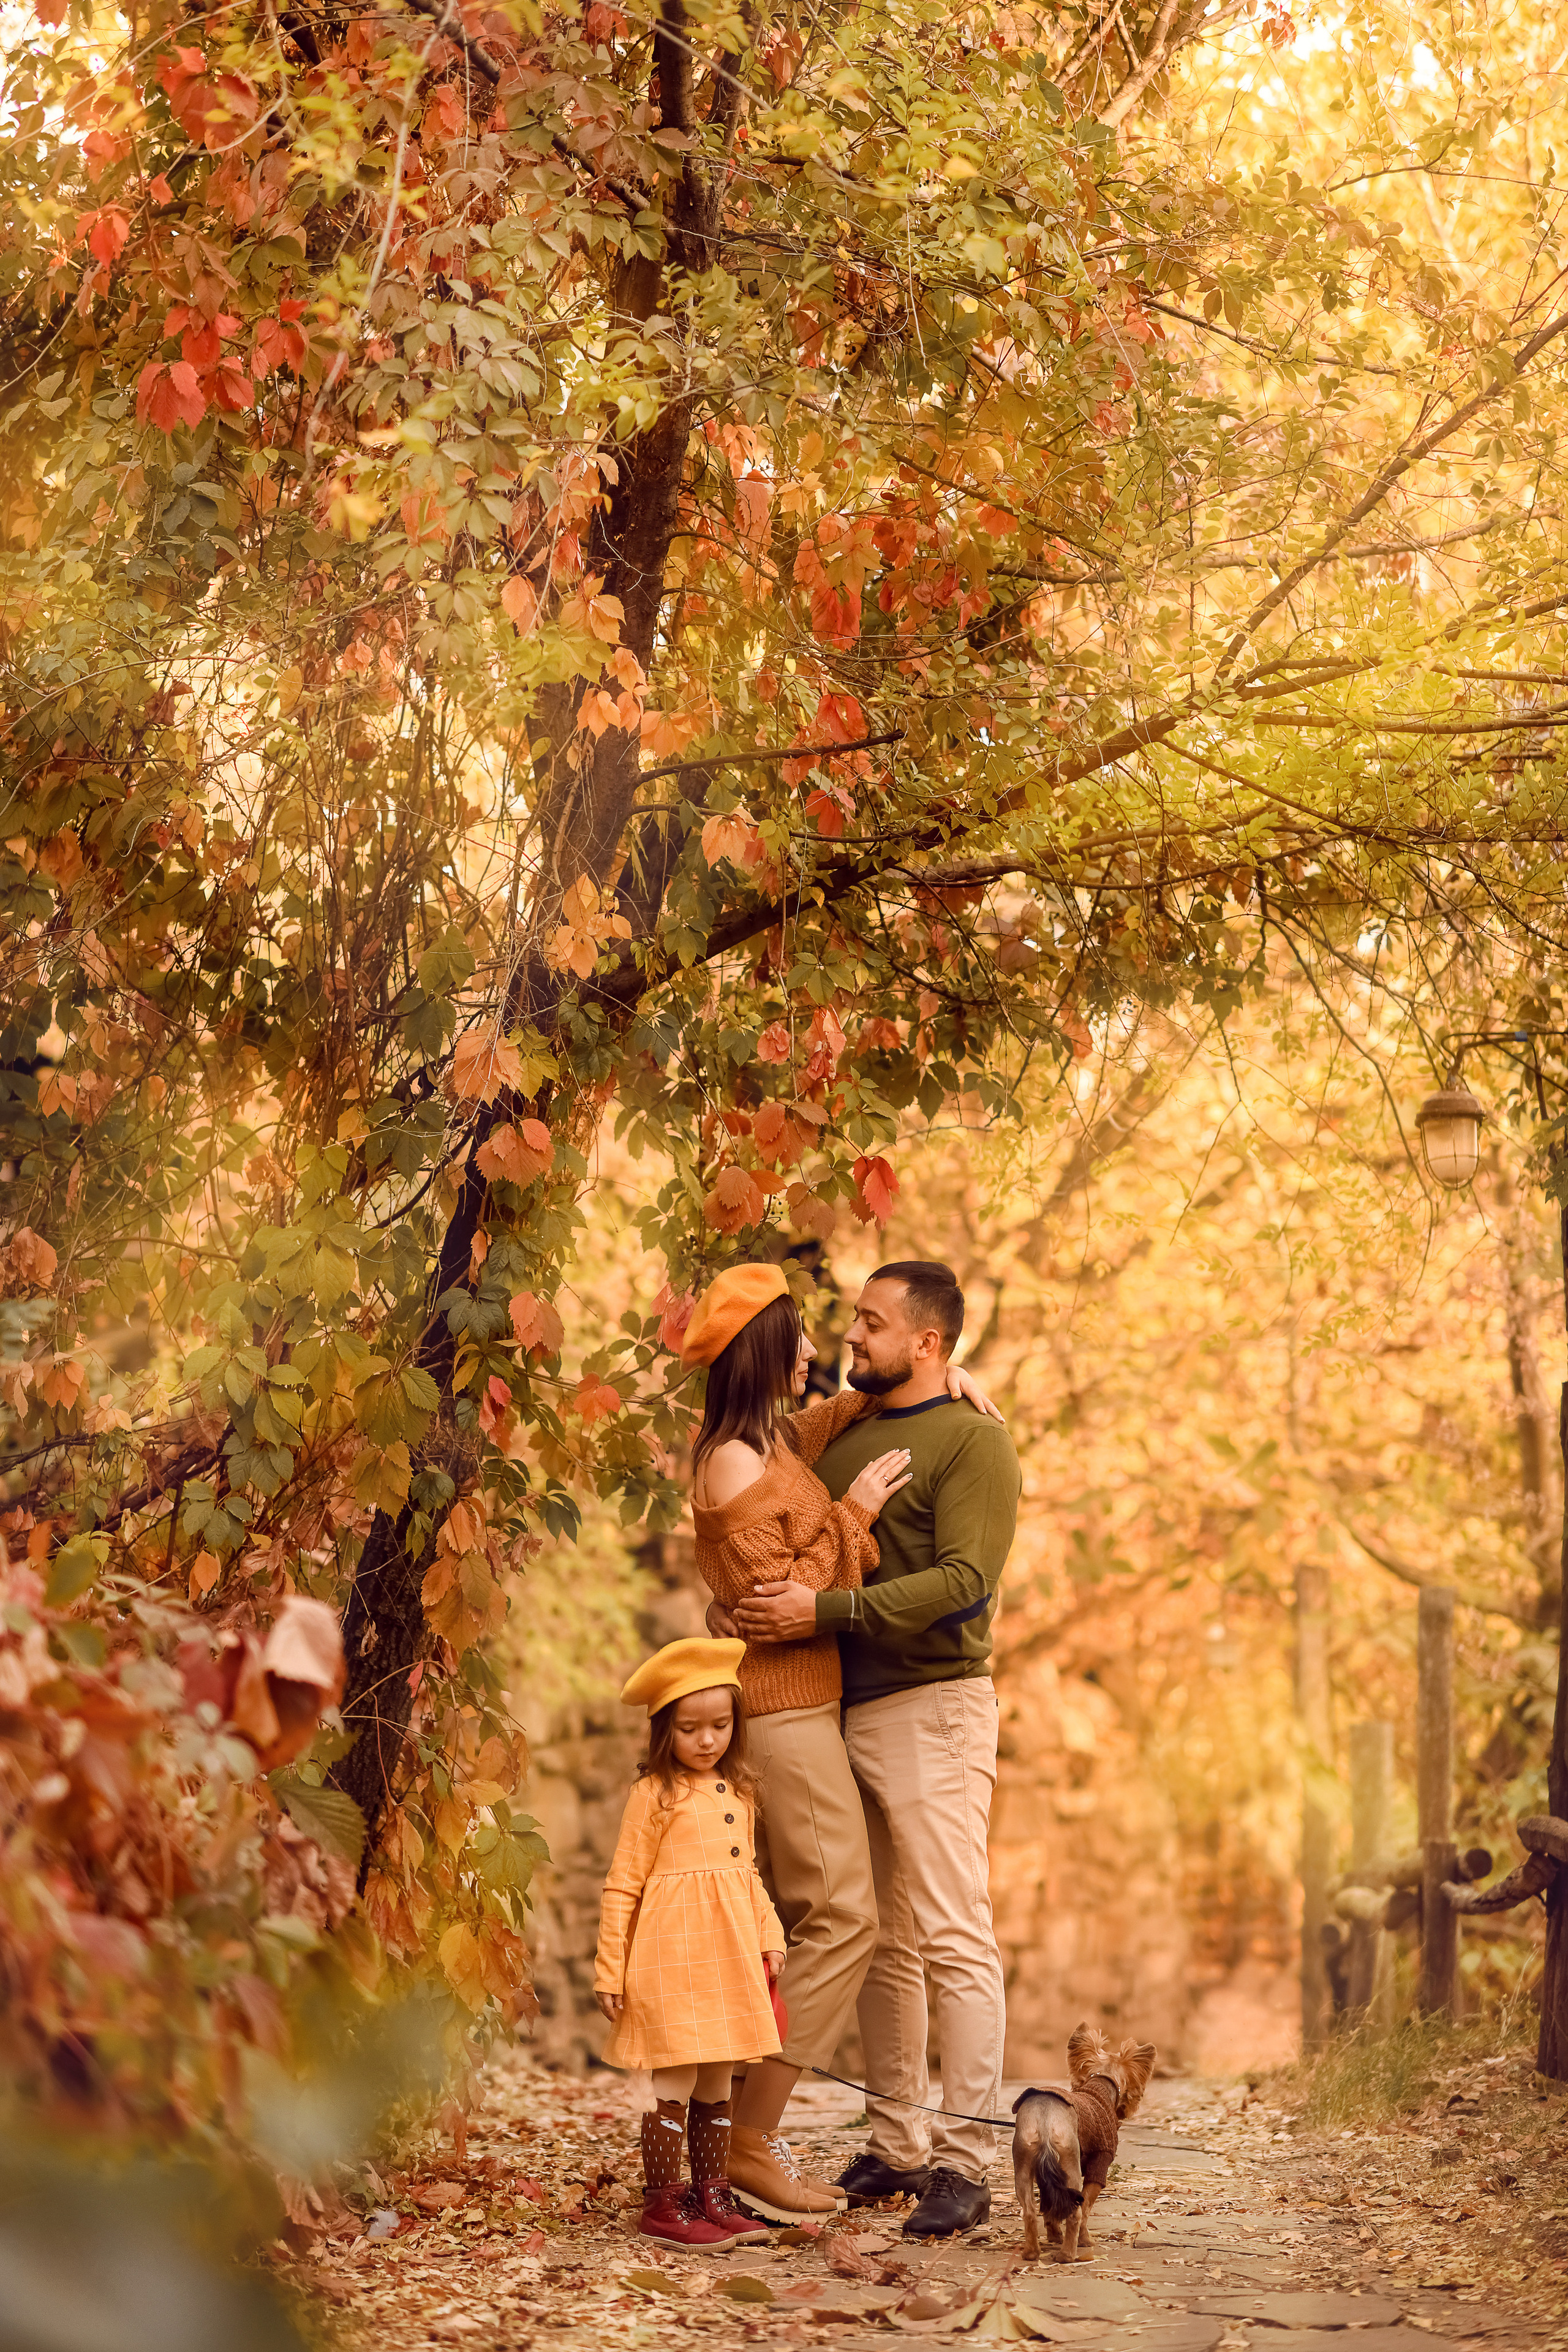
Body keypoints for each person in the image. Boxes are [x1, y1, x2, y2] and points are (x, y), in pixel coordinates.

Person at [683, 1262, 1003, 2225]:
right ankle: (795, 2139)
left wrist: (965, 1390)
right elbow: (774, 1586)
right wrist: (851, 1523)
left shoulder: (799, 1437)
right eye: (820, 1334)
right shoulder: (751, 1454)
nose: (834, 1345)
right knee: (858, 1927)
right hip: (804, 1707)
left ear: (927, 1343)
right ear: (765, 1353)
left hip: (898, 1704)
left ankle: (948, 2154)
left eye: (865, 1324)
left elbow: (959, 1571)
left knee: (920, 1928)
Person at [593, 1636, 785, 2251]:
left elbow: (747, 1876)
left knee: (717, 2080)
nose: (707, 1741)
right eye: (690, 1729)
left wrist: (770, 1934)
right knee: (675, 2080)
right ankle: (663, 2203)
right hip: (671, 1960)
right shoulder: (653, 1795)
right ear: (663, 1731)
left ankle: (712, 2194)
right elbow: (622, 1884)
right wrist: (609, 1969)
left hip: (727, 1959)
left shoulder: (740, 1791)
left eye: (720, 1725)